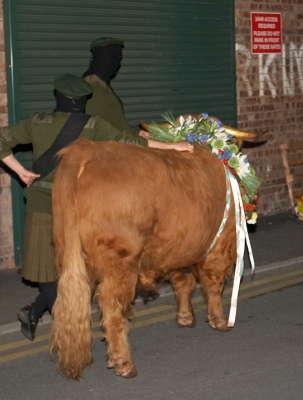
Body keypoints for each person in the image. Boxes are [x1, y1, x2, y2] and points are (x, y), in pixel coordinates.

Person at [0, 74, 193, 341]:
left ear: (57, 98)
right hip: (82, 207)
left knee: (51, 267)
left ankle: (34, 311)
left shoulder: (37, 122)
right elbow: (133, 142)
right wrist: (172, 147)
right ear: (83, 101)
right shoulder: (94, 125)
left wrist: (21, 171)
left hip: (44, 204)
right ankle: (65, 328)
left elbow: (2, 139)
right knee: (71, 266)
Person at [83, 37, 136, 133]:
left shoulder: (101, 83)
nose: (118, 63)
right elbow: (95, 131)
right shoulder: (92, 88)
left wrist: (138, 133)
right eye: (116, 58)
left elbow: (116, 123)